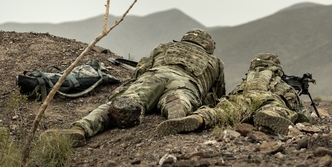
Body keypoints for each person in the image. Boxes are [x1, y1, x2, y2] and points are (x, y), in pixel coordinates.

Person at [48, 29, 225, 145]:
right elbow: (217, 95)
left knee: (123, 102)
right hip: (186, 83)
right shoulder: (215, 62)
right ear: (208, 47)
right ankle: (177, 106)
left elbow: (141, 69)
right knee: (183, 96)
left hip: (155, 75)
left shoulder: (165, 47)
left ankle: (80, 129)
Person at [163, 52, 309, 136]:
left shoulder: (245, 82)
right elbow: (296, 107)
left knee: (220, 112)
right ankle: (269, 116)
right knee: (274, 108)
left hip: (241, 98)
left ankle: (198, 118)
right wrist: (304, 116)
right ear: (277, 69)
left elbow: (229, 96)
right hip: (267, 99)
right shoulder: (278, 82)